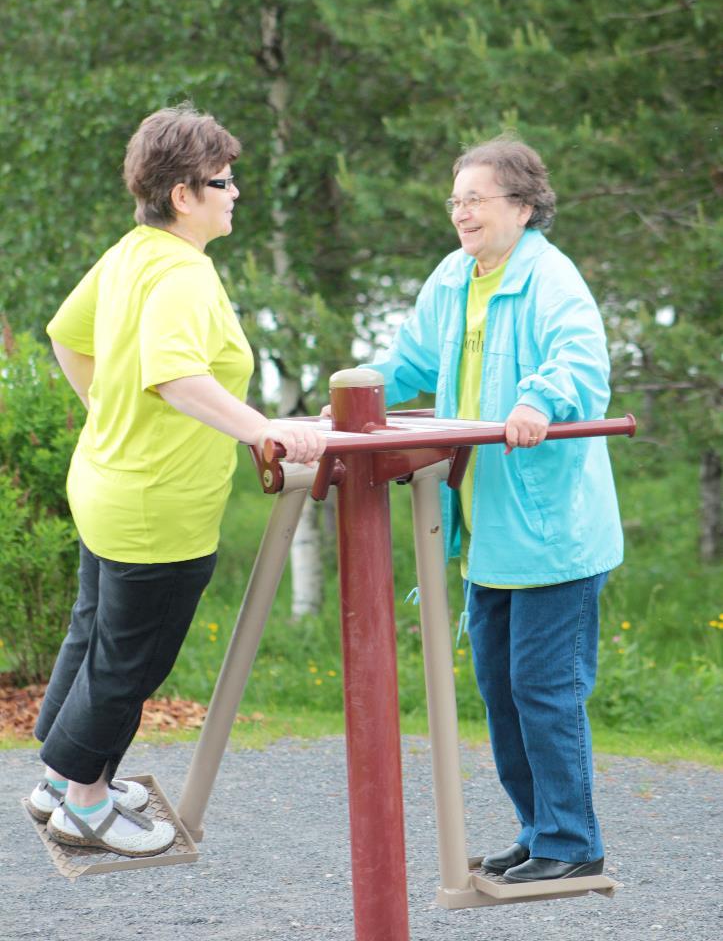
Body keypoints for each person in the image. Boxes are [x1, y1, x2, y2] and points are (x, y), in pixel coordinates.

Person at [28, 103, 325, 858]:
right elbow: (175, 377)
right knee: (131, 661)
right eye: (223, 182)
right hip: (156, 508)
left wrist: (105, 408)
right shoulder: (186, 274)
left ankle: (58, 782)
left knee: (95, 636)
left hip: (106, 482)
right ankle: (85, 805)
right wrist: (264, 428)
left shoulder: (131, 252)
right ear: (184, 194)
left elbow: (66, 334)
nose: (235, 194)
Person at [365, 136, 622, 882]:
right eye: (454, 200)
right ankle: (538, 829)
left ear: (523, 205)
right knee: (500, 693)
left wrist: (537, 400)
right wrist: (354, 392)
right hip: (485, 533)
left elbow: (577, 360)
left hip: (549, 532)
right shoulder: (454, 277)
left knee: (543, 690)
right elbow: (411, 358)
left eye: (474, 198)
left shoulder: (550, 277)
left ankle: (572, 844)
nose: (460, 213)